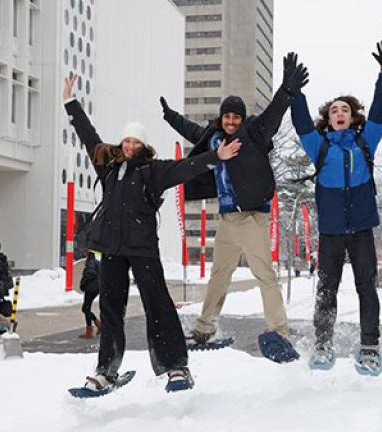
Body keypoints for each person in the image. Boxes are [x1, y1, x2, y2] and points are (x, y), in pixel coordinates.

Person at [63, 73, 242, 393]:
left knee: (158, 305)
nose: (130, 146)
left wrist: (217, 157)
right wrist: (71, 103)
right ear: (122, 144)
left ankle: (176, 368)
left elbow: (187, 168)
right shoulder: (108, 168)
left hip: (143, 248)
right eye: (126, 141)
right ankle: (106, 371)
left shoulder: (153, 171)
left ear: (143, 146)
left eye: (136, 142)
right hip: (111, 249)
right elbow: (89, 137)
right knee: (110, 309)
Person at [159, 53, 308, 363]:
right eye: (227, 117)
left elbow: (273, 113)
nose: (231, 122)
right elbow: (190, 130)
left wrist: (287, 90)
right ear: (221, 117)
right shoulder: (213, 138)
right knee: (219, 274)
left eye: (235, 117)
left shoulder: (253, 133)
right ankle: (204, 328)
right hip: (228, 217)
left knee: (264, 273)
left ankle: (280, 332)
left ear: (241, 119)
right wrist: (169, 115)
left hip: (252, 214)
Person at [289, 42, 382, 373]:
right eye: (333, 110)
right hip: (331, 231)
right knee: (326, 290)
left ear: (352, 116)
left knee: (367, 288)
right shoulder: (319, 147)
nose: (339, 113)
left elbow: (380, 112)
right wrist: (295, 92)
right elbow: (302, 123)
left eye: (344, 109)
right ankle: (322, 344)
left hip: (362, 228)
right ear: (328, 119)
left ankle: (370, 347)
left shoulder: (366, 142)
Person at [78, 251, 101, 339]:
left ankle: (90, 331)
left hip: (91, 288)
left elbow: (91, 273)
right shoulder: (97, 262)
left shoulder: (91, 262)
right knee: (86, 308)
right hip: (97, 288)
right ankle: (98, 324)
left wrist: (83, 283)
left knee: (86, 308)